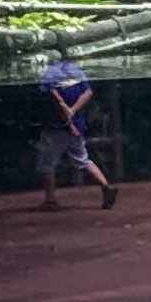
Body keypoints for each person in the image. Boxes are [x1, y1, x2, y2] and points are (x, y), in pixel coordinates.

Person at [36, 56, 116, 210]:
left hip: (57, 126)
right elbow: (88, 92)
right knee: (83, 159)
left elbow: (52, 94)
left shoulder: (51, 72)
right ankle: (106, 186)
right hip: (76, 124)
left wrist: (66, 112)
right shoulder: (75, 70)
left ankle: (50, 200)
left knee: (47, 163)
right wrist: (73, 111)